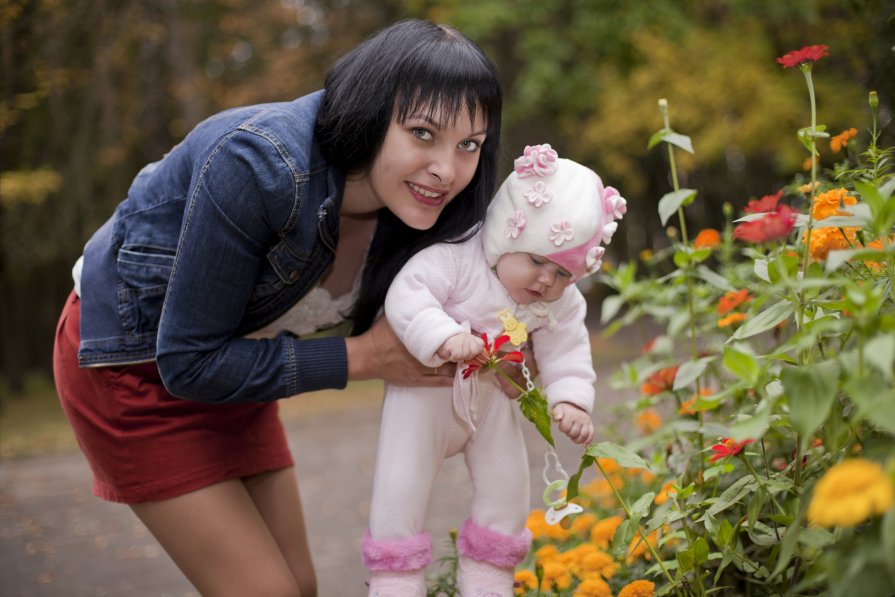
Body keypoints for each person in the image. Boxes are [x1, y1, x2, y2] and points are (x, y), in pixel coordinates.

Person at [51, 19, 503, 597]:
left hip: (239, 365)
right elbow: (187, 363)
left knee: (299, 586)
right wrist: (362, 357)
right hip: (135, 366)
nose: (448, 169)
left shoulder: (425, 213)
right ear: (370, 114)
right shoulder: (259, 166)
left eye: (469, 144)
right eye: (422, 133)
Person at [361, 144, 627, 596]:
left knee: (507, 488)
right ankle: (395, 582)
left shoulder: (557, 301)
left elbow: (567, 346)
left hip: (490, 404)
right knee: (399, 489)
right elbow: (408, 293)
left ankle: (489, 582)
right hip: (422, 401)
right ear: (507, 235)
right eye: (537, 260)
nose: (546, 280)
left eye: (563, 273)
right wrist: (442, 335)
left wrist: (570, 398)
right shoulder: (458, 259)